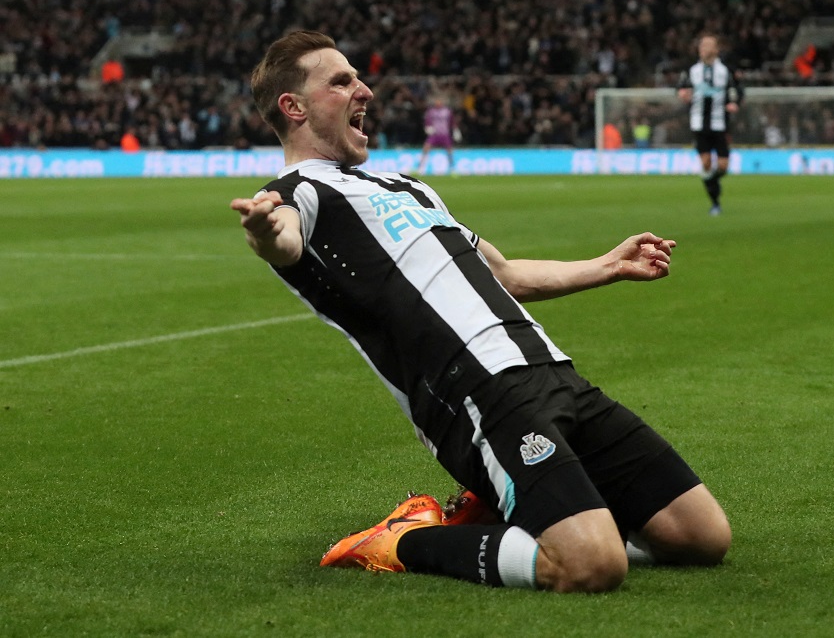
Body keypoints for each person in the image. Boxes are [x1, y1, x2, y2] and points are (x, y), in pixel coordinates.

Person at [230, 30, 730, 593]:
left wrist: (607, 266)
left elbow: (507, 274)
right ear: (292, 107)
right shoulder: (298, 195)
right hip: (477, 394)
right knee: (592, 566)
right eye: (341, 82)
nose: (363, 90)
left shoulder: (409, 187)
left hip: (551, 369)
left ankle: (522, 511)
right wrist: (266, 232)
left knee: (702, 537)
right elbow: (286, 243)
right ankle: (401, 540)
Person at [677, 34, 743, 215]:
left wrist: (735, 102)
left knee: (723, 166)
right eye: (702, 45)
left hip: (720, 123)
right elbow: (681, 87)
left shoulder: (726, 71)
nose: (705, 49)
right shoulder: (691, 70)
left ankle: (712, 182)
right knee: (706, 162)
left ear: (716, 49)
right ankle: (715, 202)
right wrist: (682, 94)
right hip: (699, 123)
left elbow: (738, 89)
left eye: (709, 45)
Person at [416, 95, 456, 174]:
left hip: (445, 134)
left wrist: (455, 130)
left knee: (450, 151)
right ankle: (420, 168)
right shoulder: (431, 111)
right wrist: (427, 127)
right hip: (434, 134)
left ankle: (452, 168)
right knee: (426, 148)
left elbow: (452, 121)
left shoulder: (447, 111)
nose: (438, 102)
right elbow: (427, 121)